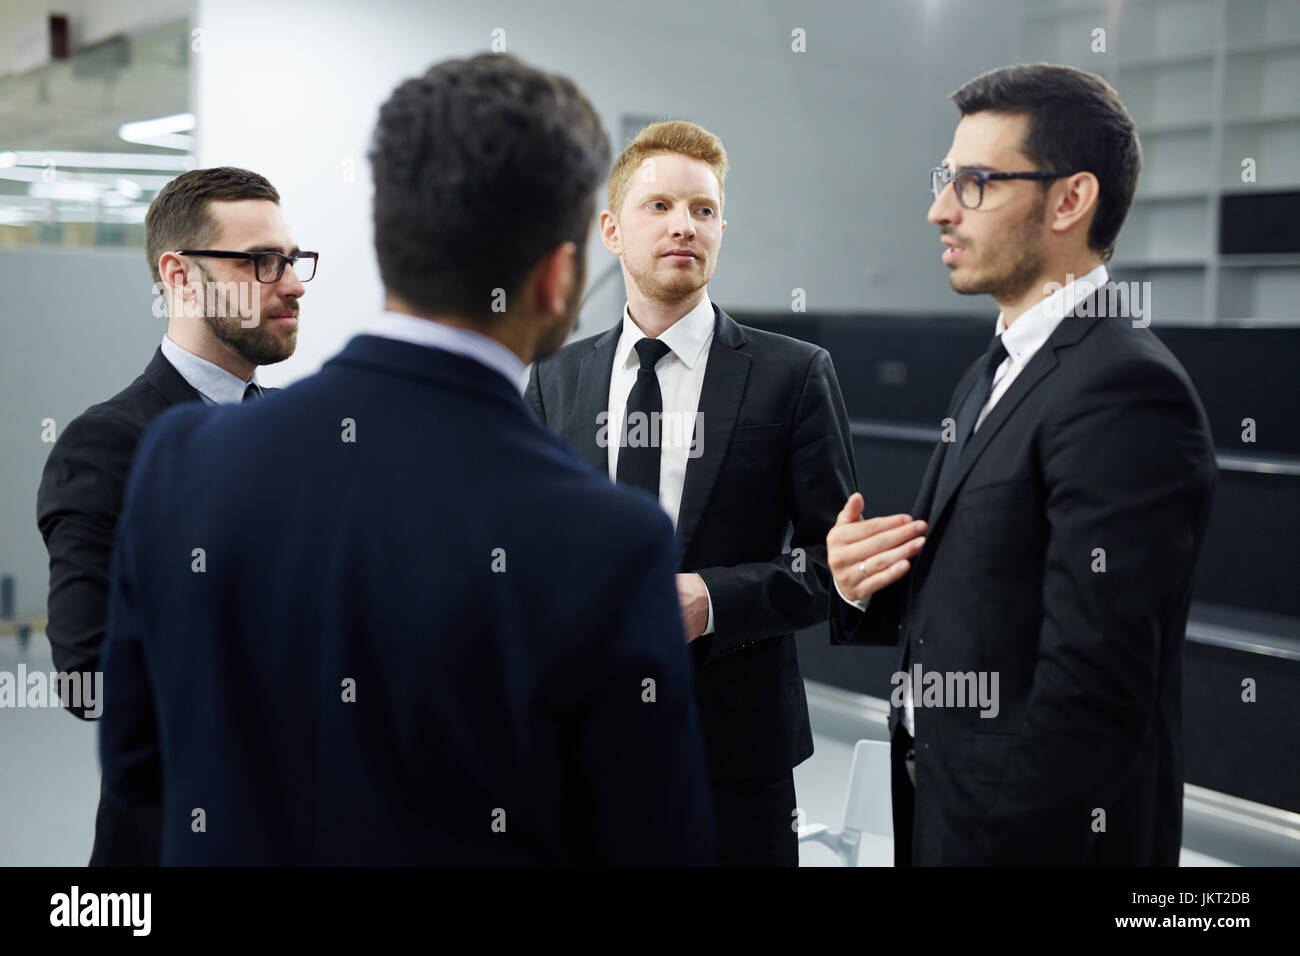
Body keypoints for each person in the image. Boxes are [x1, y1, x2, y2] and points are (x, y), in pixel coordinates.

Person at [98, 53, 715, 865]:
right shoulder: (608, 541)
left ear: (388, 239)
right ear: (561, 273)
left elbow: (140, 772)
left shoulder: (183, 464)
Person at [827, 63, 1216, 865]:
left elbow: (1094, 691)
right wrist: (860, 585)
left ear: (1070, 200)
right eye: (946, 181)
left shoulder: (1125, 387)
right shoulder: (994, 369)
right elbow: (992, 595)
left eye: (974, 184)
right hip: (945, 814)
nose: (939, 211)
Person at [527, 121, 856, 865]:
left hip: (734, 758)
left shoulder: (793, 374)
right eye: (661, 206)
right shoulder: (555, 378)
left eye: (704, 210)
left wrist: (711, 601)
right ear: (612, 230)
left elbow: (835, 566)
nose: (685, 225)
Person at [36, 165, 305, 865]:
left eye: (293, 260)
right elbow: (87, 676)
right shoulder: (107, 443)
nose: (294, 283)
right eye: (261, 262)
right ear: (180, 277)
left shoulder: (302, 433)